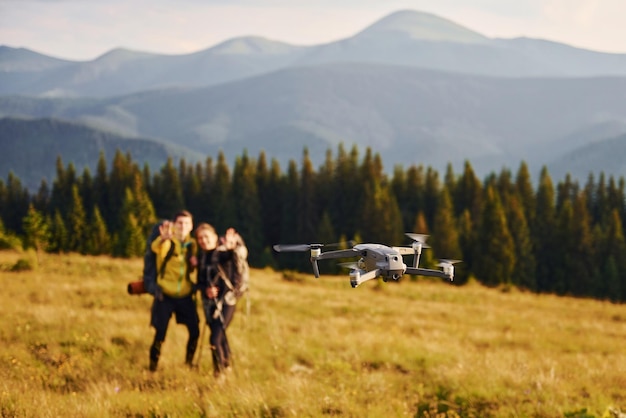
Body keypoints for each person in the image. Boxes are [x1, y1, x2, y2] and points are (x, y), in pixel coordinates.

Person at [148, 210, 199, 372]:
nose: (183, 226)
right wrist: (163, 240)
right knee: (160, 333)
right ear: (174, 225)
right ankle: (152, 368)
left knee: (195, 331)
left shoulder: (193, 245)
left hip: (185, 295)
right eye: (179, 223)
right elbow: (156, 248)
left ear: (191, 226)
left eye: (186, 223)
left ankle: (189, 363)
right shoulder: (168, 242)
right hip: (165, 295)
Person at [195, 223, 248, 378]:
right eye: (200, 238)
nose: (204, 240)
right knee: (220, 335)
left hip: (227, 301)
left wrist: (231, 249)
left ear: (215, 237)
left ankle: (219, 374)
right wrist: (206, 290)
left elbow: (232, 259)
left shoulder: (223, 254)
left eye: (207, 237)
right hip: (209, 303)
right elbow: (200, 281)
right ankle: (227, 366)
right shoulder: (202, 257)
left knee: (215, 337)